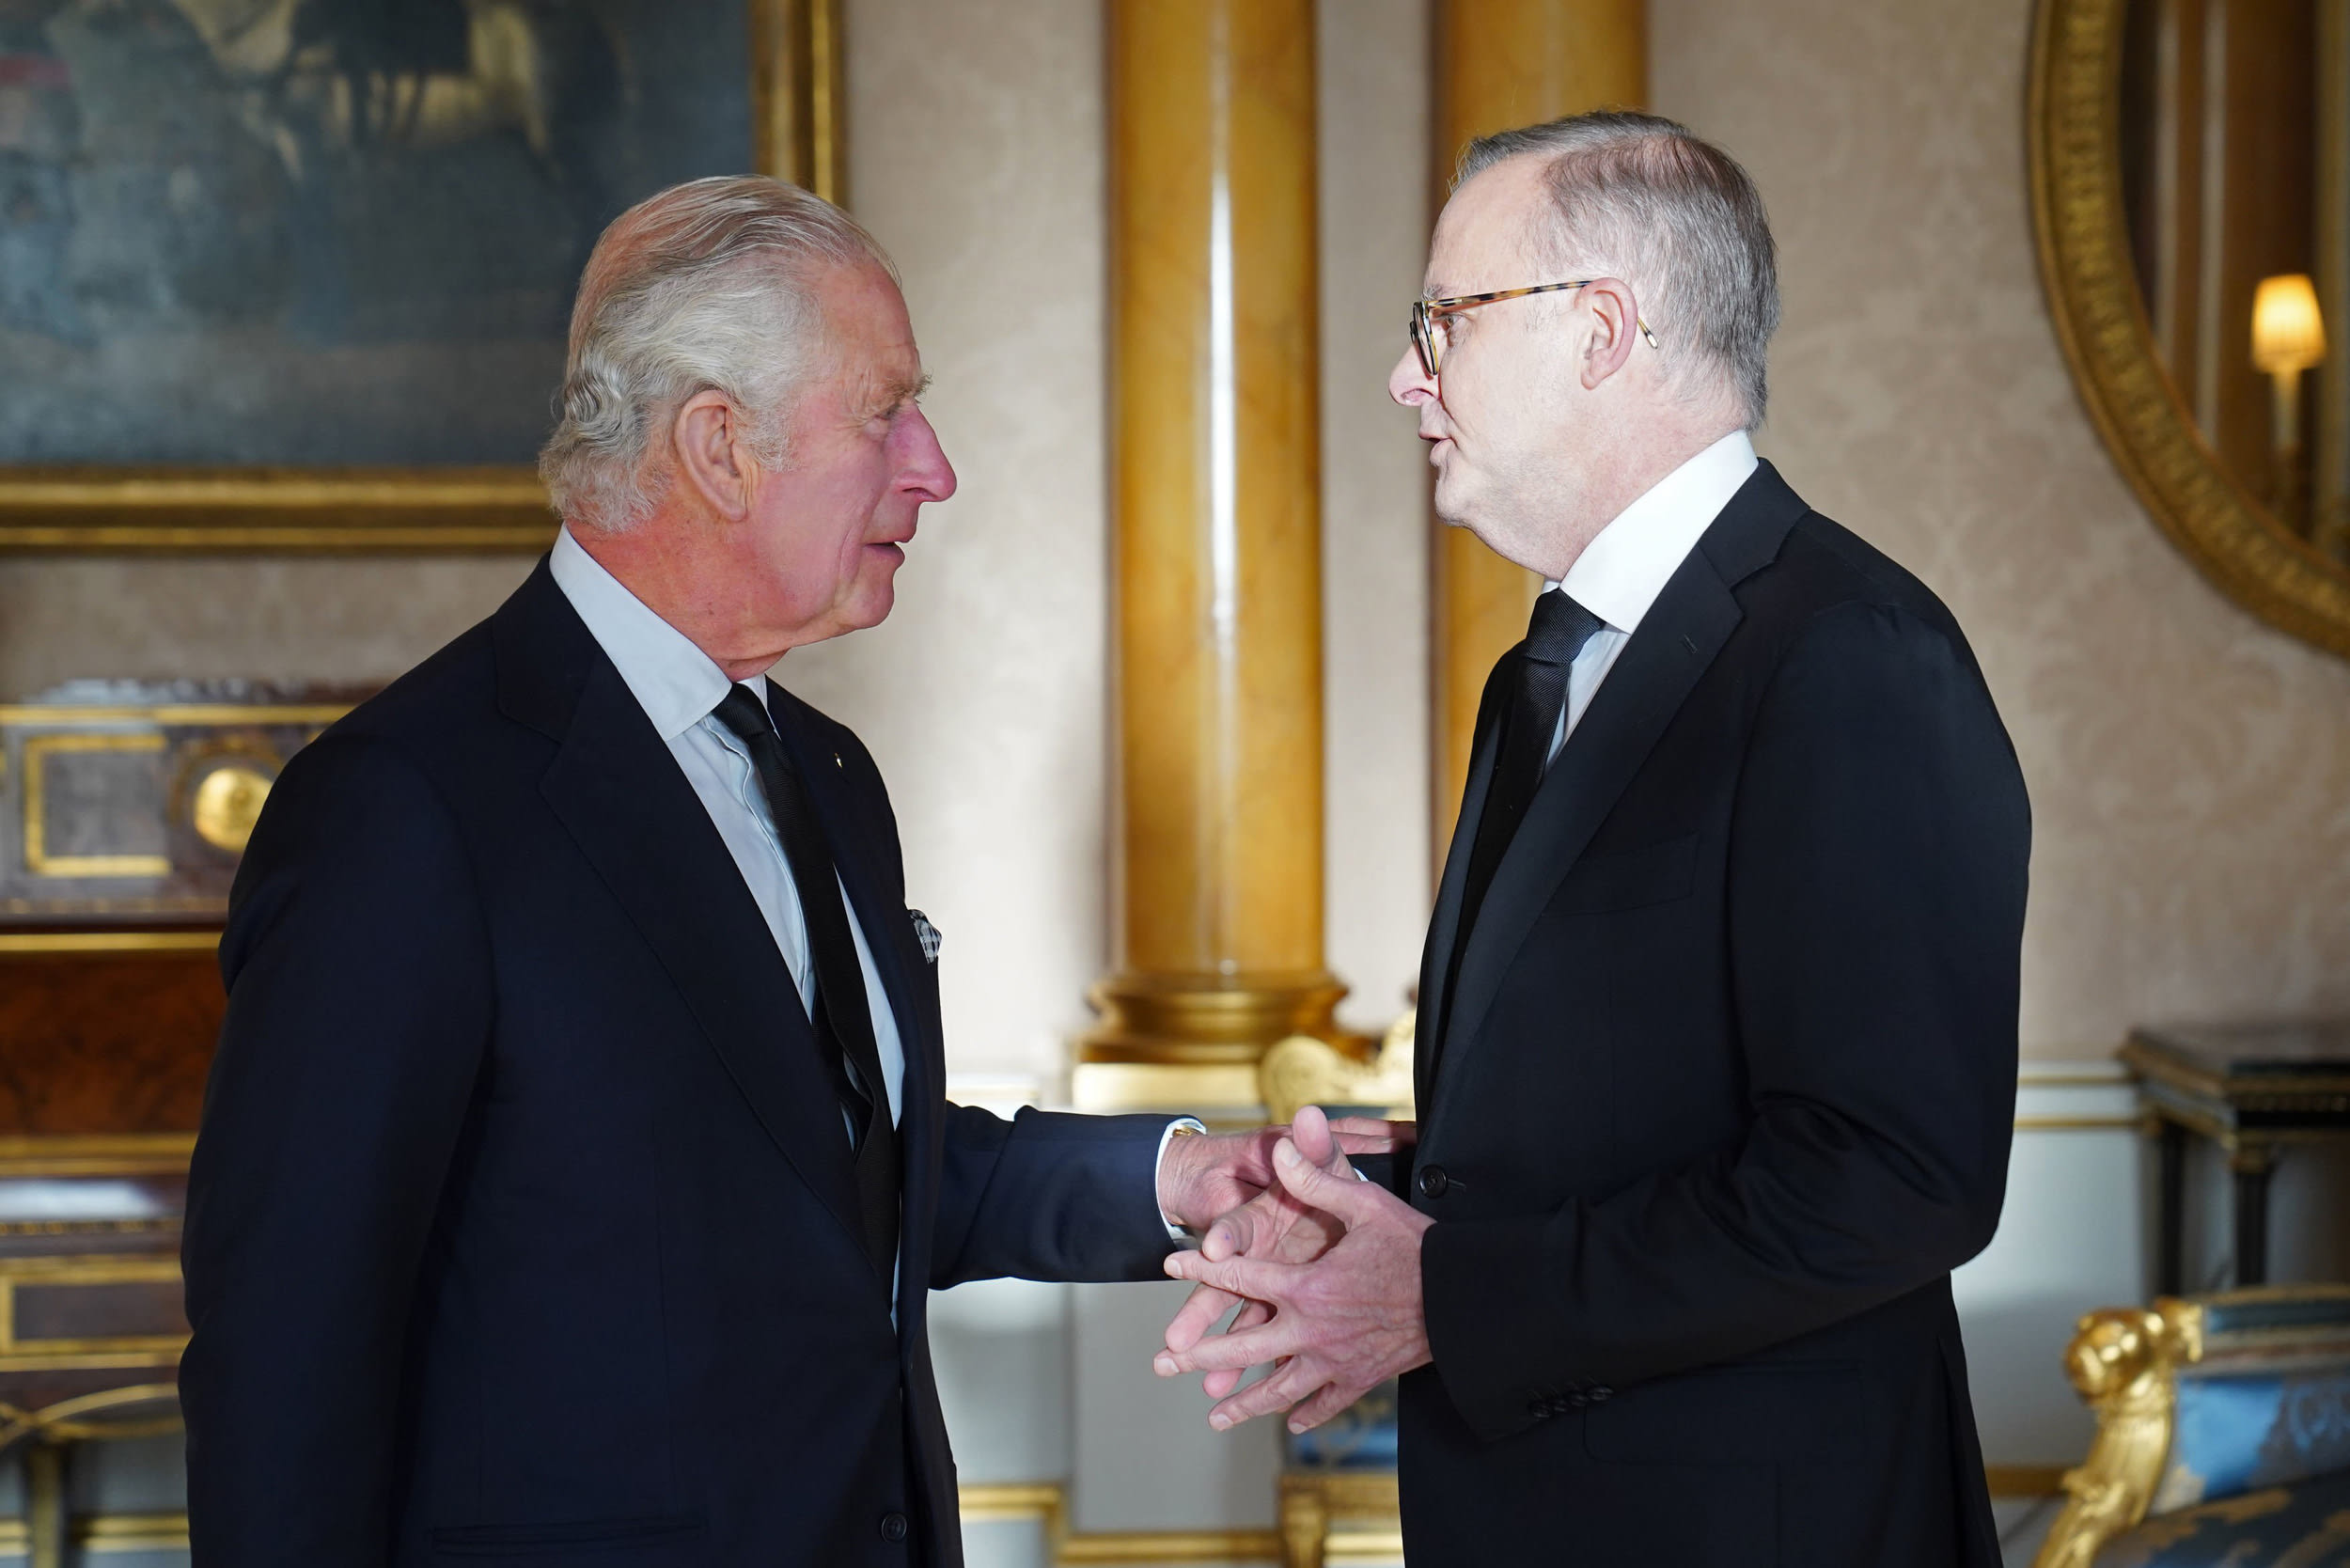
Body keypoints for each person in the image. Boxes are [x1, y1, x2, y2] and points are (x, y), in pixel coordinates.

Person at [180, 176, 1298, 1568]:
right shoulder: (405, 808)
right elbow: (287, 1353)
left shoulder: (826, 774)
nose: (934, 467)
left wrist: (1186, 1175)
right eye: (886, 410)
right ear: (720, 447)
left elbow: (842, 1178)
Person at [1156, 111, 2029, 1568]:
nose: (1404, 378)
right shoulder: (1545, 672)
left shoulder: (1850, 654)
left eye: (1442, 324)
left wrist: (1449, 1296)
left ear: (1602, 331)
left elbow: (1891, 1176)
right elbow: (1632, 1107)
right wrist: (1374, 1214)